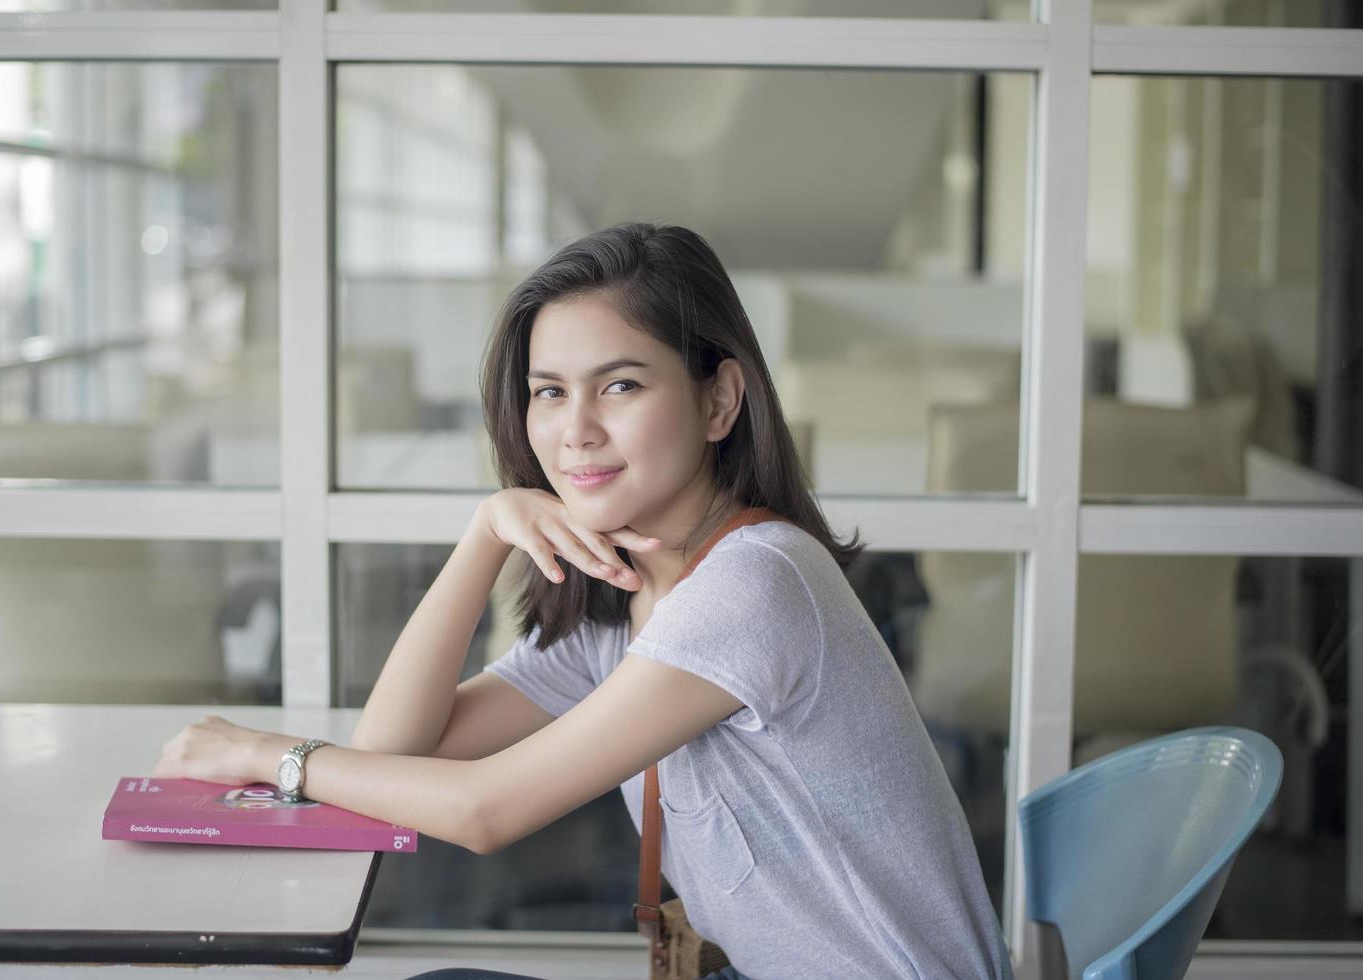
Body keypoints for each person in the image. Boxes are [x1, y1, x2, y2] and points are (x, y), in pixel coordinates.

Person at [155, 222, 1013, 980]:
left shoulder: (757, 583)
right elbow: (399, 750)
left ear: (719, 400)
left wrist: (262, 753)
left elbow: (483, 813)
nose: (577, 431)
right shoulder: (623, 597)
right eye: (550, 391)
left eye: (621, 385)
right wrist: (486, 532)